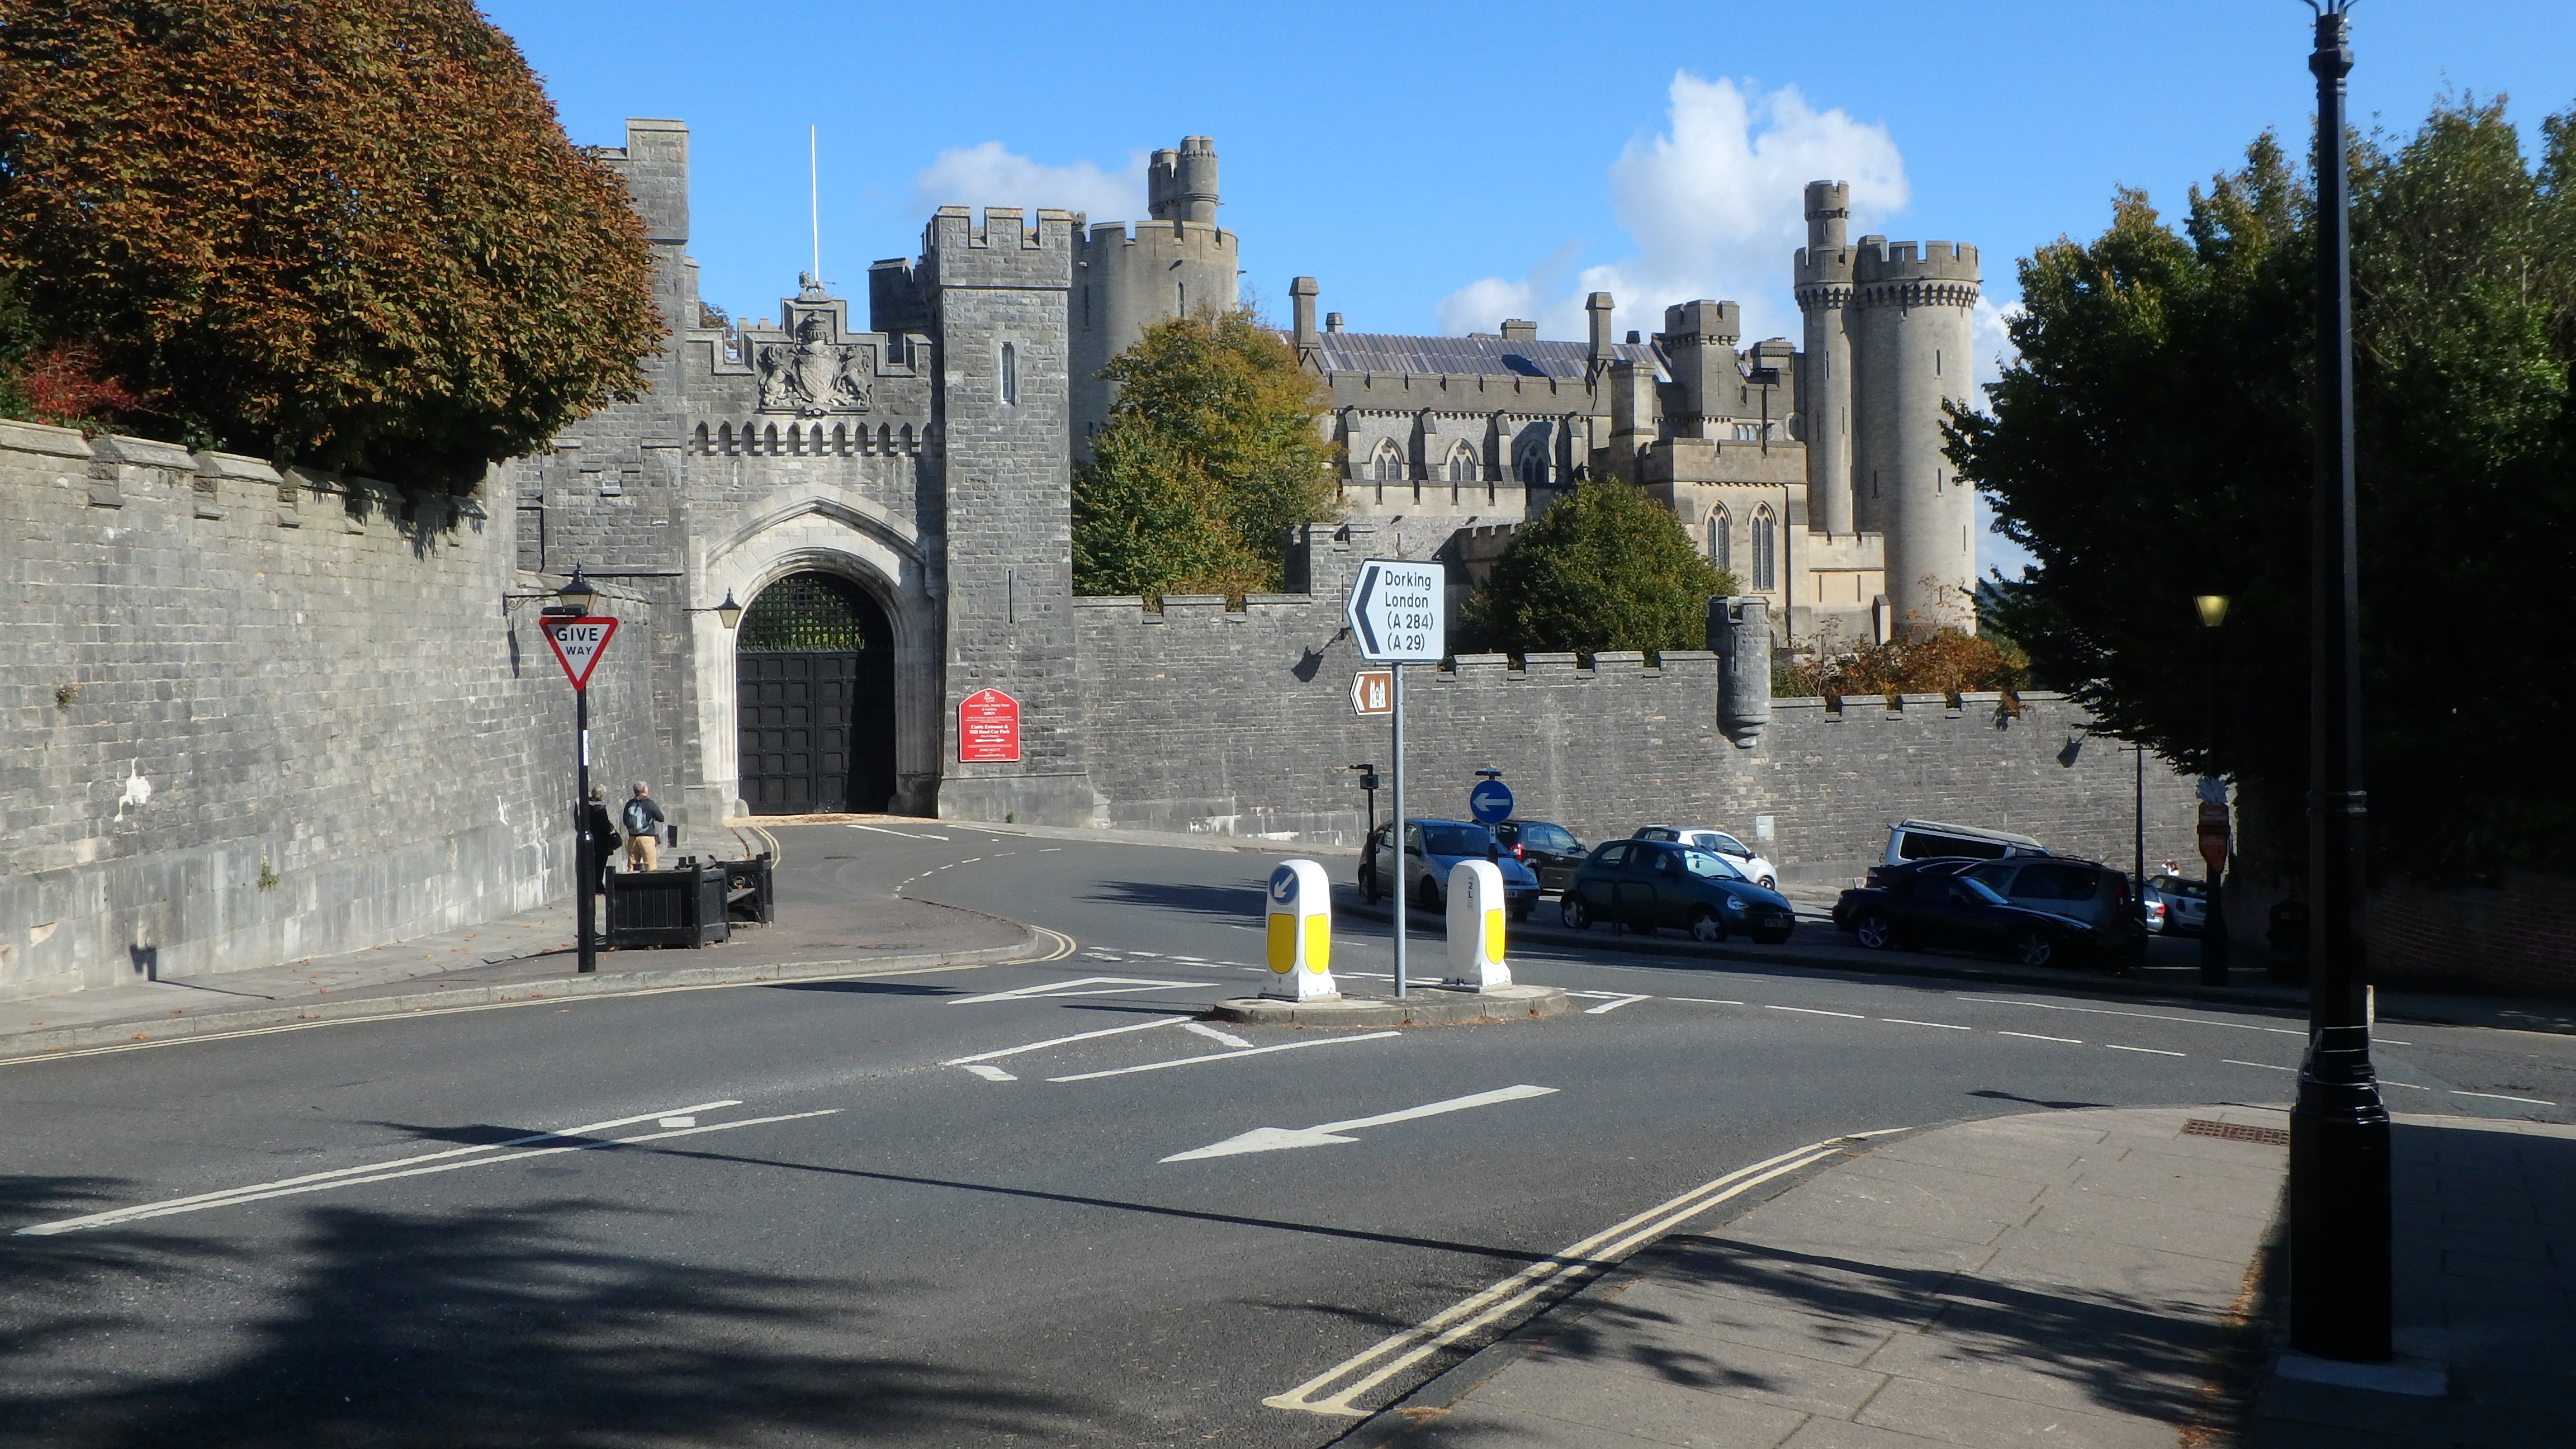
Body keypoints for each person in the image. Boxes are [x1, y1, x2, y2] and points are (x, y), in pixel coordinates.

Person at [580, 784, 619, 895]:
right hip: (601, 841)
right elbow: (605, 826)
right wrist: (611, 827)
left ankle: (590, 885)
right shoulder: (600, 808)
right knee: (600, 864)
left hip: (590, 837)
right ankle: (598, 886)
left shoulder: (586, 806)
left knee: (591, 864)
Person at [622, 782, 666, 872]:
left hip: (633, 838)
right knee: (650, 867)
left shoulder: (629, 804)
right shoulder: (650, 804)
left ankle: (630, 881)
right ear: (645, 790)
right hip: (647, 838)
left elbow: (625, 820)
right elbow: (661, 818)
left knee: (632, 866)